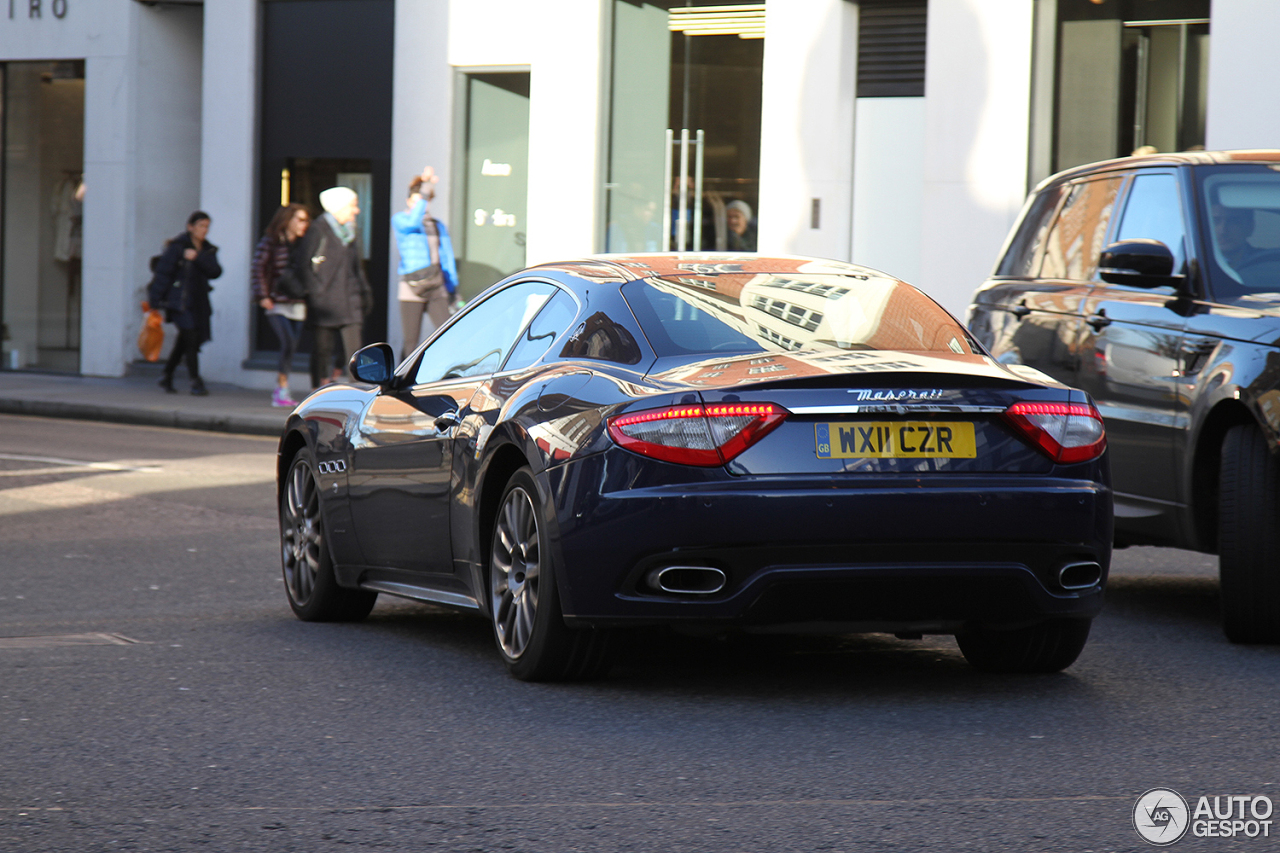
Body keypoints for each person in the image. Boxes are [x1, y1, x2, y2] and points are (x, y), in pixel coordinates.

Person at [298, 187, 373, 389]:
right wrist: (316, 292)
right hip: (325, 303)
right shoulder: (318, 229)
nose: (356, 210)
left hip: (350, 300)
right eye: (352, 205)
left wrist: (364, 292)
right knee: (322, 350)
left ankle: (357, 394)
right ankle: (317, 392)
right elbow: (302, 264)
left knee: (355, 353)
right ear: (338, 207)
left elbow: (356, 267)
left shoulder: (350, 231)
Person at [391, 166, 458, 359]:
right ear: (408, 201)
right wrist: (425, 190)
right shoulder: (401, 220)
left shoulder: (437, 225)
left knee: (448, 332)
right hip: (411, 284)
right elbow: (413, 223)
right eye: (417, 201)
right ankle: (400, 381)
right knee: (411, 340)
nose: (421, 205)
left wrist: (453, 287)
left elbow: (447, 258)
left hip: (436, 283)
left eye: (425, 202)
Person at [251, 203, 310, 406]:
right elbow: (258, 267)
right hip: (276, 302)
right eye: (300, 219)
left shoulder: (304, 243)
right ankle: (281, 389)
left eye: (306, 220)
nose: (304, 224)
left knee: (292, 346)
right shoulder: (271, 241)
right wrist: (263, 295)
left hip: (298, 302)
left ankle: (282, 387)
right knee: (287, 343)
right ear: (288, 220)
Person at [157, 211, 221, 396]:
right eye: (201, 225)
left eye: (207, 226)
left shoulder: (207, 249)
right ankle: (195, 381)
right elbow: (163, 273)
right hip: (179, 302)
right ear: (190, 227)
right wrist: (155, 300)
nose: (204, 230)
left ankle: (166, 374)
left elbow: (215, 271)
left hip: (199, 302)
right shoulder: (178, 247)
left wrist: (197, 258)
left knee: (185, 341)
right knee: (191, 339)